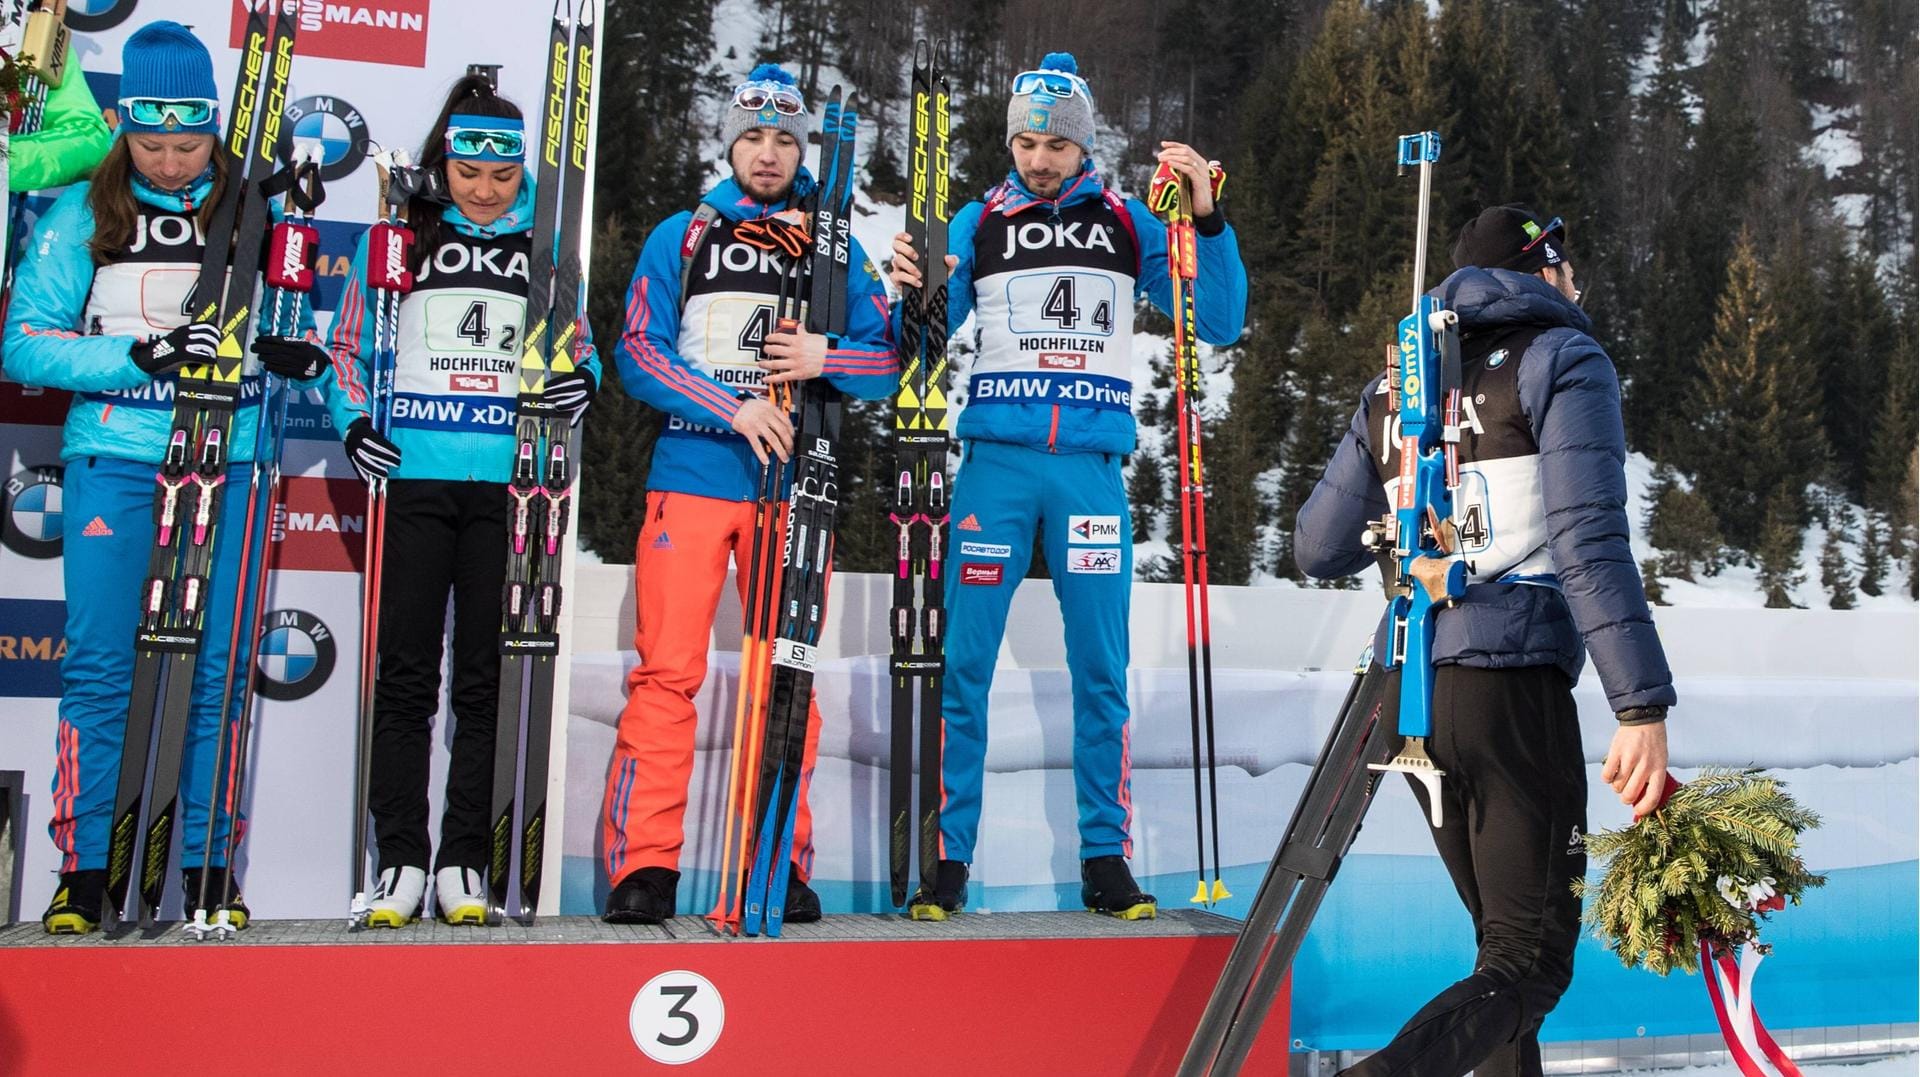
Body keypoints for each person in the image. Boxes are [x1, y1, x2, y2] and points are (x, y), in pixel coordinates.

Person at [1293, 205, 1676, 1076]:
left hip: (1410, 700)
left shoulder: (1401, 380)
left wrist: (1415, 531)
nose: (1576, 287)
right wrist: (1639, 701)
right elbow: (1590, 537)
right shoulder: (1563, 356)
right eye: (1570, 271)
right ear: (1546, 274)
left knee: (1499, 965)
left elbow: (1316, 546)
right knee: (1528, 963)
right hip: (1510, 692)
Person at [887, 52, 1248, 920]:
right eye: (1024, 140)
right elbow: (920, 348)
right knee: (963, 665)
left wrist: (1208, 215)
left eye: (1054, 142)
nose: (1038, 158)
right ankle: (949, 862)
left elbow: (1222, 318)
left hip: (1088, 473)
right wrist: (905, 291)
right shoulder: (979, 218)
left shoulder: (1127, 220)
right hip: (996, 468)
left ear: (1082, 144)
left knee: (1101, 670)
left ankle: (1103, 857)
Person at [4, 22, 328, 933]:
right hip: (117, 457)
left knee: (216, 675)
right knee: (105, 668)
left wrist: (324, 387)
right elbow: (23, 339)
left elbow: (303, 336)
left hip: (226, 458)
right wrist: (138, 354)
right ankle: (84, 865)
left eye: (193, 141)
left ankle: (206, 863)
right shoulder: (85, 214)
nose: (177, 160)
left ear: (215, 127)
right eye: (154, 142)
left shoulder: (253, 209)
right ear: (126, 127)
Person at [598, 63, 897, 924]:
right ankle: (645, 867)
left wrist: (822, 361)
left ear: (803, 148)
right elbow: (639, 352)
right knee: (667, 675)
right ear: (729, 141)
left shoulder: (836, 242)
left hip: (792, 493)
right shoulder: (682, 234)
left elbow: (883, 359)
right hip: (692, 476)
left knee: (785, 675)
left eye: (785, 139)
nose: (768, 153)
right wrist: (730, 407)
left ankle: (780, 856)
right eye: (753, 136)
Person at [323, 74, 601, 927]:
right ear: (446, 164)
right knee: (407, 677)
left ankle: (462, 861)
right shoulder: (405, 236)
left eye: (502, 175)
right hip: (416, 476)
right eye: (468, 171)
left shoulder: (546, 254)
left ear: (523, 175)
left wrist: (580, 384)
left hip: (509, 487)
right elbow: (349, 343)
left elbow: (580, 349)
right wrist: (354, 420)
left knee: (484, 681)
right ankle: (399, 858)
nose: (483, 190)